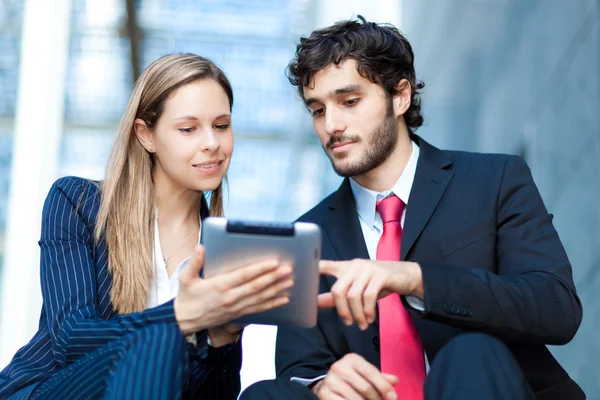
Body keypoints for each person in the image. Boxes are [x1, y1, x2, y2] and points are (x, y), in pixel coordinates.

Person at [241, 16, 585, 400]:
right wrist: (323, 383)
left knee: (471, 352)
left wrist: (417, 280)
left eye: (349, 101)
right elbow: (297, 367)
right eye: (318, 110)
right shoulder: (306, 237)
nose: (331, 124)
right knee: (264, 395)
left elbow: (556, 309)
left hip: (483, 387)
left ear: (400, 96)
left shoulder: (494, 179)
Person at [0, 53, 294, 400]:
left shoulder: (222, 251)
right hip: (51, 391)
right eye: (188, 129)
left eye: (221, 125)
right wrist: (180, 317)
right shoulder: (78, 201)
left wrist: (222, 340)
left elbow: (213, 396)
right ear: (146, 135)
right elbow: (72, 339)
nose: (212, 143)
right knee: (159, 337)